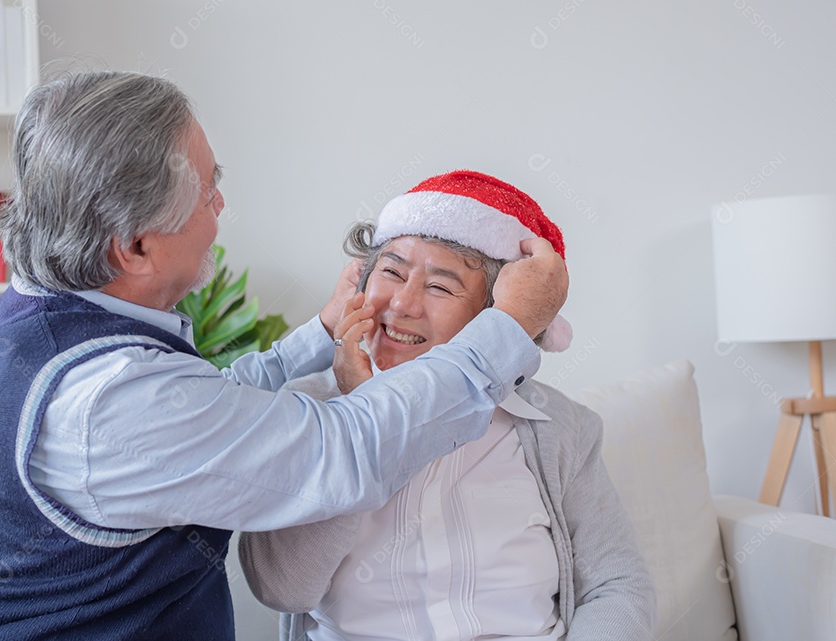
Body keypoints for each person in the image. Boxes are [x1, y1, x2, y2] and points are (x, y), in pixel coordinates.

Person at [0, 72, 568, 641]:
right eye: (209, 192)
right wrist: (509, 328)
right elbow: (349, 451)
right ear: (136, 249)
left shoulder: (52, 317)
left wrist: (318, 331)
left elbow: (211, 401)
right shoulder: (110, 399)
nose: (221, 207)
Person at [239, 171, 657, 641]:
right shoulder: (306, 410)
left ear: (495, 316)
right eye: (392, 271)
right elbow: (283, 588)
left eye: (440, 287)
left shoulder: (562, 429)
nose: (402, 304)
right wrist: (360, 413)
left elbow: (617, 586)